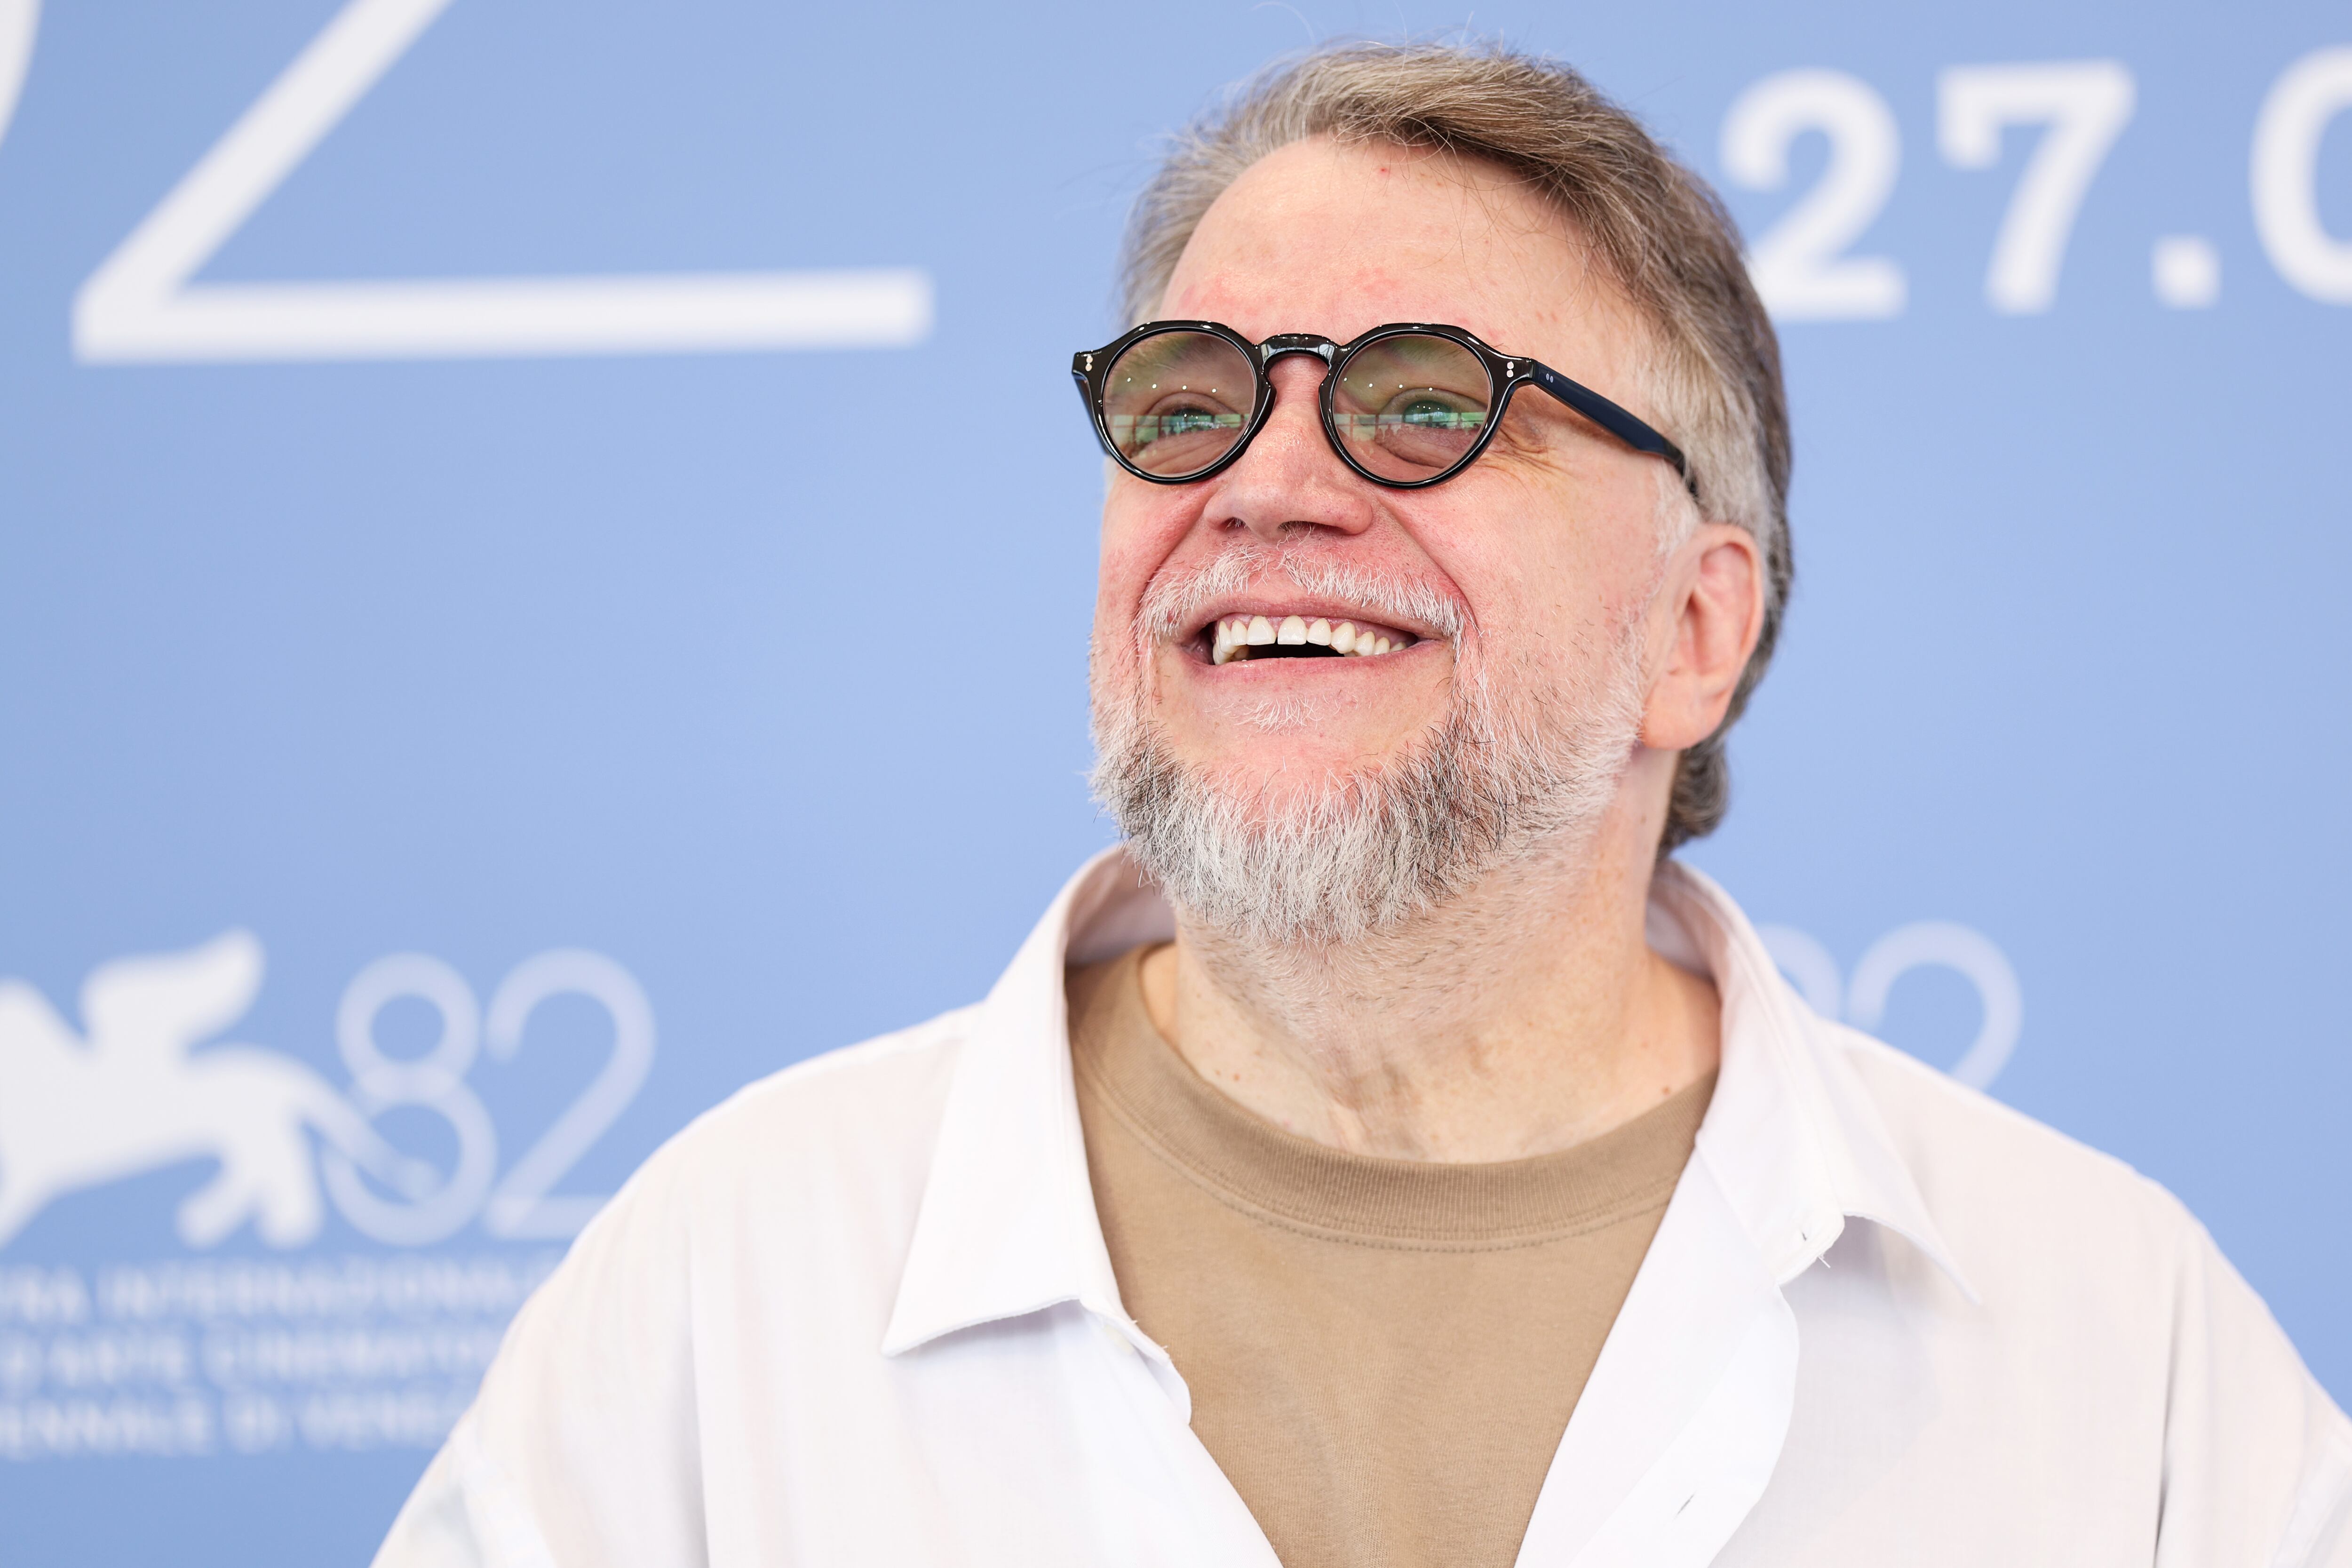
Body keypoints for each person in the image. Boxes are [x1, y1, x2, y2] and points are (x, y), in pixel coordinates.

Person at [372, 40, 2351, 1568]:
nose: (1262, 485)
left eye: (1423, 402)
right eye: (1183, 400)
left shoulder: (2112, 1339)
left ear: (1693, 627)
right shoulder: (731, 1278)